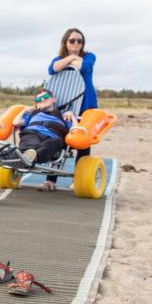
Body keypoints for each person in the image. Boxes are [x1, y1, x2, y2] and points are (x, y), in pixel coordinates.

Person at [43, 28, 97, 191]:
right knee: (58, 137)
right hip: (65, 104)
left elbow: (83, 67)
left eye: (79, 41)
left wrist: (72, 59)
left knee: (82, 143)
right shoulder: (59, 58)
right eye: (72, 40)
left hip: (85, 104)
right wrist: (72, 57)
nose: (76, 43)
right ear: (65, 42)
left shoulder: (90, 56)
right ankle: (51, 180)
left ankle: (79, 180)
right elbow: (53, 68)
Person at [13, 90, 75, 170]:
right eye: (39, 100)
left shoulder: (64, 116)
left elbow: (76, 129)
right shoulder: (33, 114)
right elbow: (15, 122)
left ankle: (30, 158)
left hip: (52, 138)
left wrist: (72, 115)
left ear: (54, 99)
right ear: (37, 105)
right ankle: (24, 156)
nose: (42, 99)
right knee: (30, 145)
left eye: (45, 97)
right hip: (32, 134)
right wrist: (24, 110)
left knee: (56, 141)